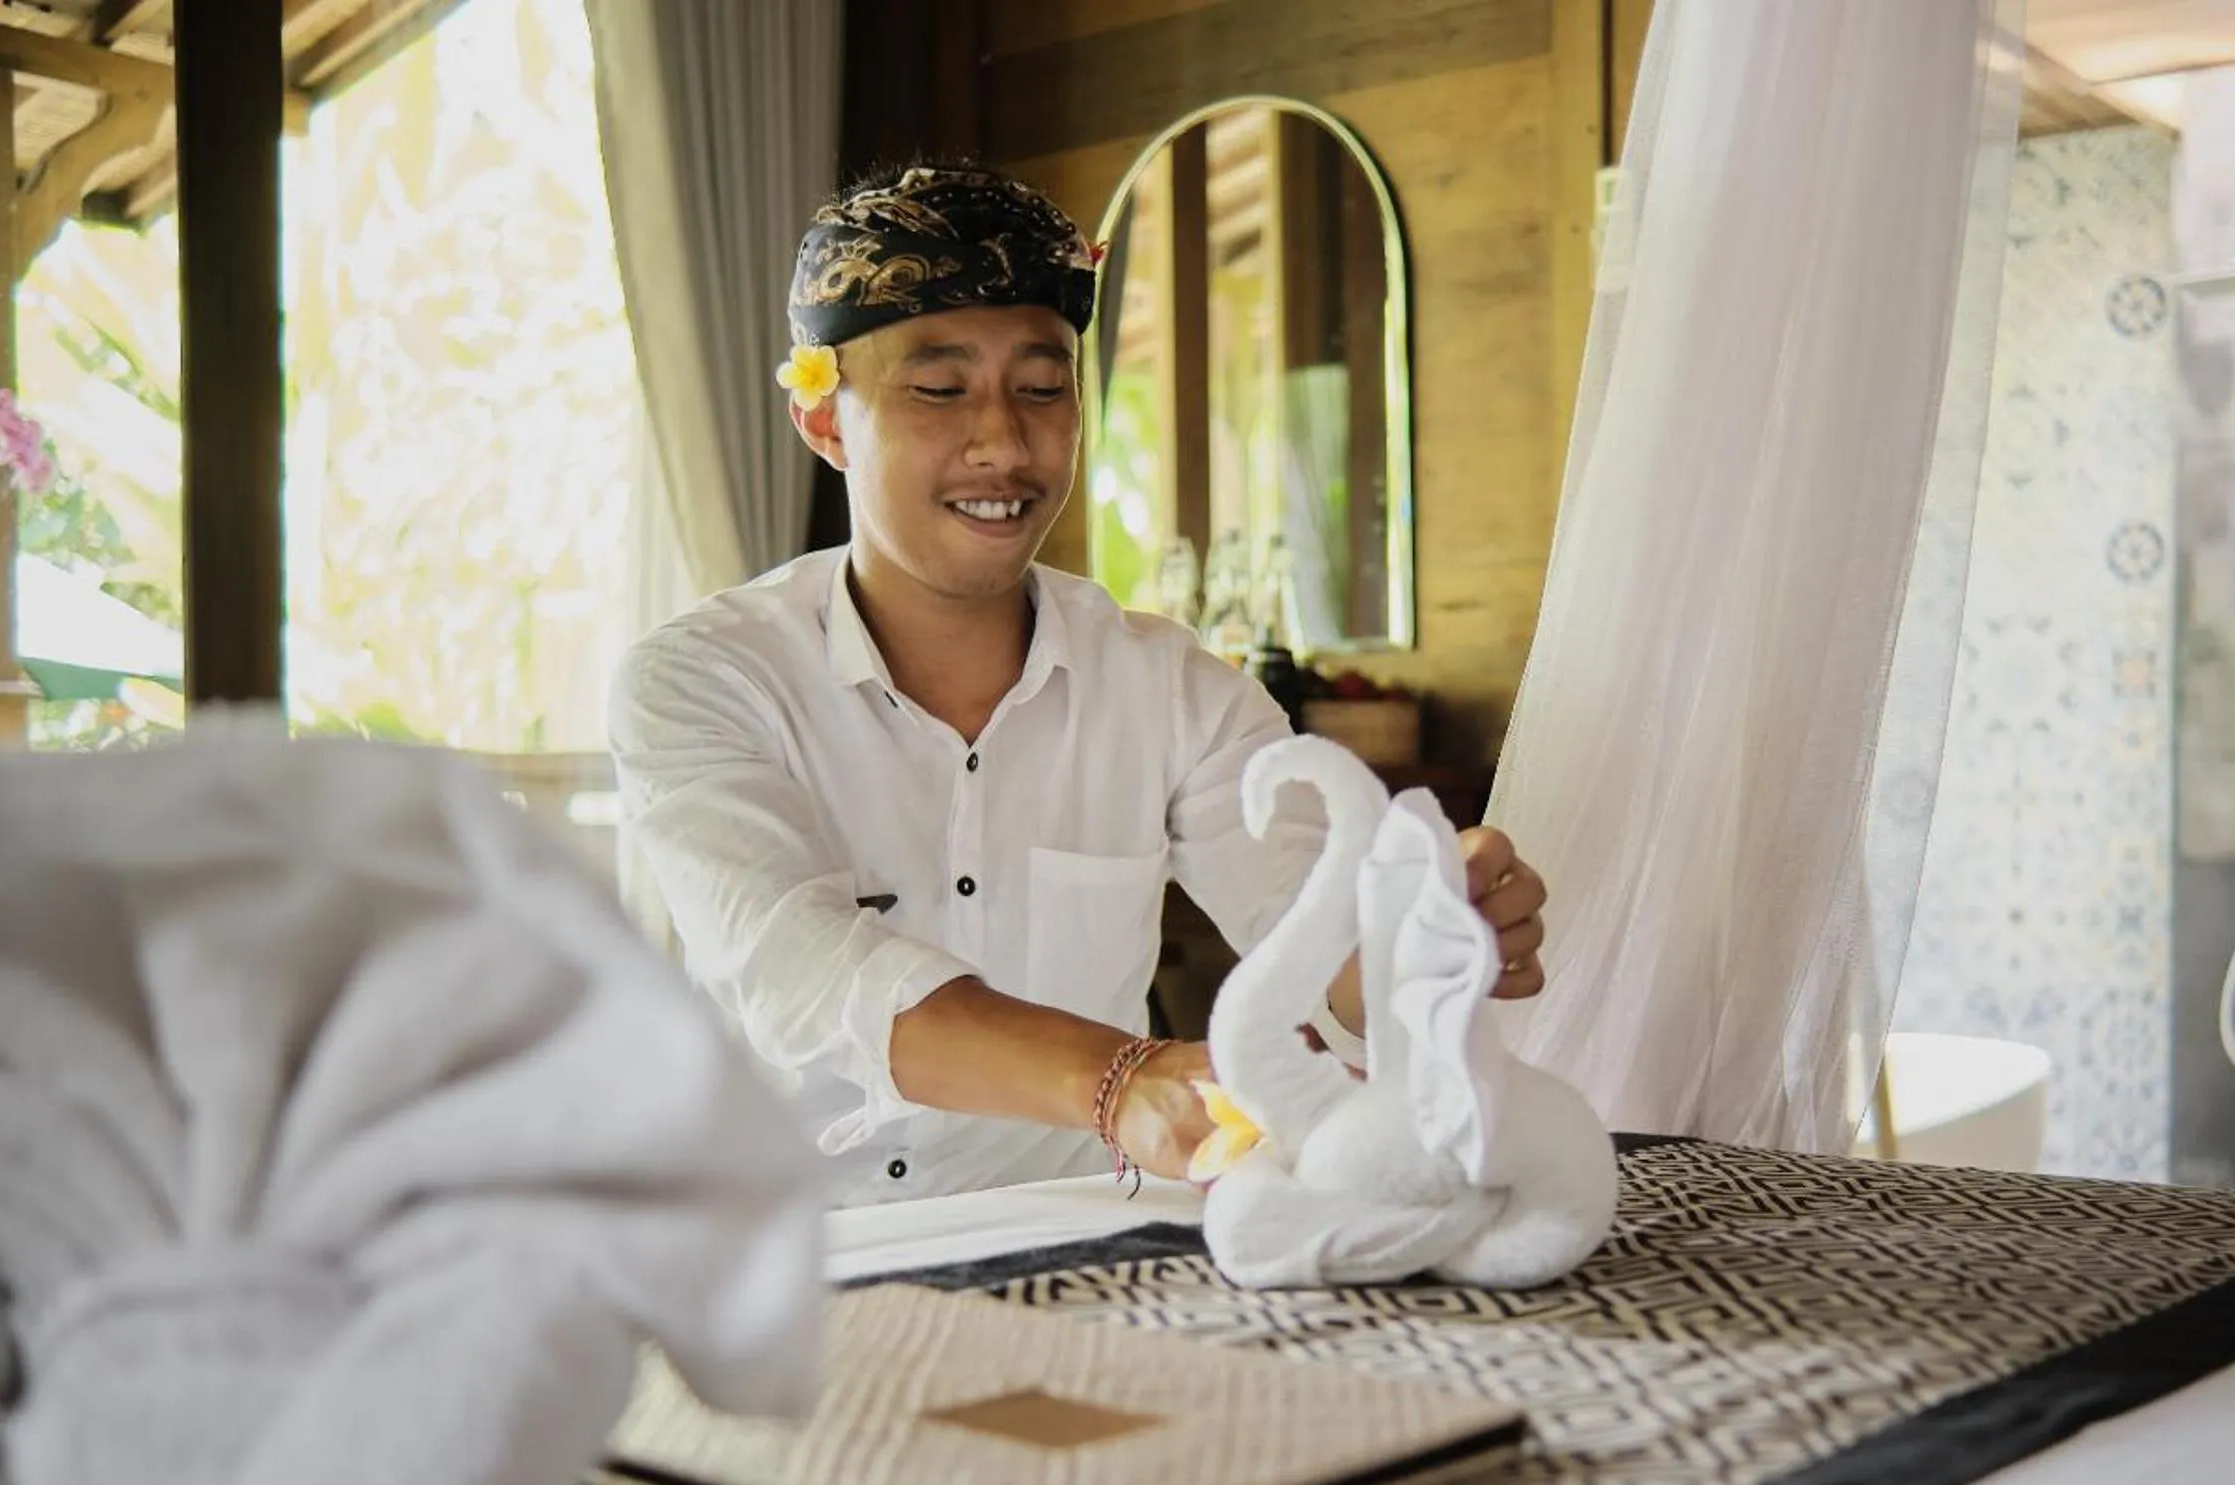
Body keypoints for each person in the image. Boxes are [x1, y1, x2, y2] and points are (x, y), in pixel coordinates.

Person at [609, 164, 1548, 1205]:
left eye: (1043, 387)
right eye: (937, 387)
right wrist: (1118, 1080)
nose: (1004, 442)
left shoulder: (1174, 691)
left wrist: (1424, 935)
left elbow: (1315, 940)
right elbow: (802, 971)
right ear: (827, 423)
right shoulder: (701, 681)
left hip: (1079, 1234)